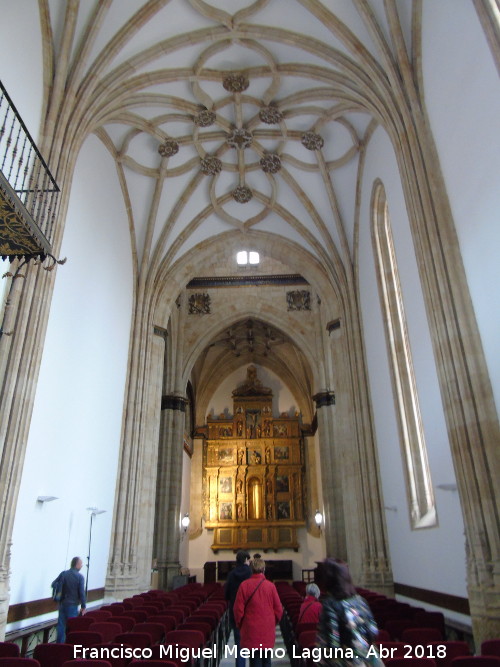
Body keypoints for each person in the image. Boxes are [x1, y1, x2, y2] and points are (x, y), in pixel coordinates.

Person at [316, 559, 380, 667]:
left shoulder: (330, 604)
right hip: (363, 661)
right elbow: (373, 631)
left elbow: (332, 643)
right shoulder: (360, 600)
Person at [233, 557, 283, 667]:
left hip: (251, 629)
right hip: (267, 629)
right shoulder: (270, 586)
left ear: (251, 569)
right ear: (263, 569)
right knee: (267, 660)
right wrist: (271, 622)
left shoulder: (244, 585)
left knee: (255, 661)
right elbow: (279, 609)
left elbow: (238, 609)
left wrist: (241, 624)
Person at [225, 550, 252, 667]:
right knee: (254, 643)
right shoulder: (251, 573)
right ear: (246, 560)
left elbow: (226, 595)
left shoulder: (231, 574)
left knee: (239, 643)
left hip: (235, 612)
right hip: (250, 612)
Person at [52, 556, 86, 643]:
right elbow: (81, 592)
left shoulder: (64, 574)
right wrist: (83, 606)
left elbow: (53, 584)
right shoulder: (80, 577)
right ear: (77, 564)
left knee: (61, 626)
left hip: (62, 603)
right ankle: (69, 645)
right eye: (81, 564)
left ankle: (59, 645)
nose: (81, 566)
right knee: (72, 626)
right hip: (73, 605)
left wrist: (60, 590)